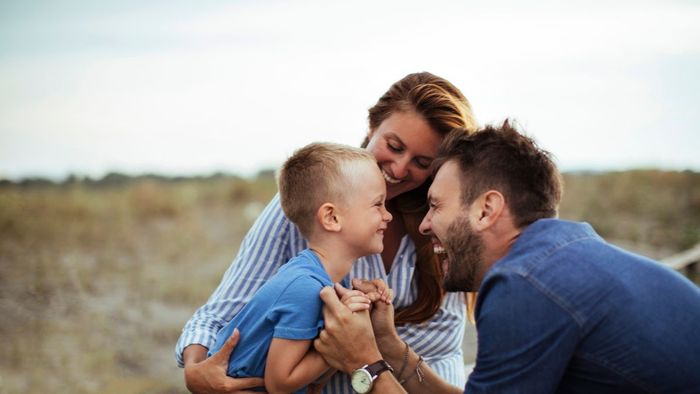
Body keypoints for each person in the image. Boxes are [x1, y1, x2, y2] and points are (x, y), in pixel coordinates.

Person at [313, 121, 700, 393]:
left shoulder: (524, 285)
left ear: (486, 210)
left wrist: (363, 363)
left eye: (436, 206)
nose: (426, 225)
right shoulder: (563, 259)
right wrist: (389, 347)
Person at [175, 72, 478, 393]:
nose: (400, 169)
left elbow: (436, 345)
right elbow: (223, 312)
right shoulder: (310, 204)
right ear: (372, 127)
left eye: (421, 161)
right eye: (394, 146)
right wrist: (197, 370)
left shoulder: (445, 223)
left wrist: (361, 343)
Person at [206, 142, 393, 393]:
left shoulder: (317, 278)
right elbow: (280, 383)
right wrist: (339, 348)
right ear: (332, 218)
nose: (387, 215)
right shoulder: (304, 289)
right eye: (377, 204)